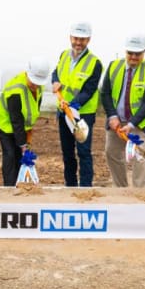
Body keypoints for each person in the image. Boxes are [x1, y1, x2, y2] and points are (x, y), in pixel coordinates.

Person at [100, 34, 145, 188]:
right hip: (117, 122)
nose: (133, 57)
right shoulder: (114, 66)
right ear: (125, 51)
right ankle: (120, 189)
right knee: (111, 153)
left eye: (137, 54)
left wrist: (132, 124)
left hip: (139, 124)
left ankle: (140, 193)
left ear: (144, 52)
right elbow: (105, 93)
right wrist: (112, 116)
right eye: (130, 53)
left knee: (140, 157)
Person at [51, 21, 102, 187]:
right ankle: (70, 185)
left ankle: (85, 188)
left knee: (83, 151)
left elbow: (89, 90)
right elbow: (55, 73)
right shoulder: (64, 55)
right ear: (70, 37)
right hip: (63, 112)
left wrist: (73, 105)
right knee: (67, 153)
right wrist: (55, 82)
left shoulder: (95, 63)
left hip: (83, 114)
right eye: (76, 38)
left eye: (83, 39)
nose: (78, 42)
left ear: (89, 40)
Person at [0, 57, 51, 186]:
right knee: (10, 154)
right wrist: (23, 146)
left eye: (38, 83)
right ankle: (9, 186)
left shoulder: (38, 88)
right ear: (27, 73)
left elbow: (34, 108)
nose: (35, 86)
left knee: (19, 155)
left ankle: (21, 183)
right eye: (33, 82)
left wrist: (28, 131)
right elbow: (16, 121)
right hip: (4, 123)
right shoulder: (16, 90)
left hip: (20, 125)